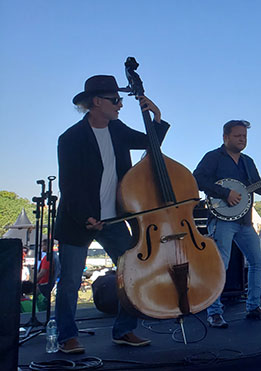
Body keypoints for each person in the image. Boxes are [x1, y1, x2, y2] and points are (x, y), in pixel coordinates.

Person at [54, 75, 167, 353]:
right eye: (115, 100)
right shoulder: (71, 138)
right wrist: (85, 217)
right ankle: (67, 335)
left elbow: (149, 143)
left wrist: (157, 118)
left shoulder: (117, 129)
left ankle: (124, 330)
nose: (120, 105)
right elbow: (69, 184)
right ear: (96, 102)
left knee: (132, 272)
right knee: (69, 282)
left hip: (114, 218)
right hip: (79, 221)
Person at [193, 119, 261, 328]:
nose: (242, 140)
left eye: (244, 136)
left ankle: (254, 306)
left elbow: (260, 188)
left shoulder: (247, 161)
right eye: (238, 136)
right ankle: (214, 312)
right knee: (221, 265)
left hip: (245, 221)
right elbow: (198, 179)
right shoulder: (213, 157)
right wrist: (225, 193)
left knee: (257, 262)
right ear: (225, 137)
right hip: (221, 220)